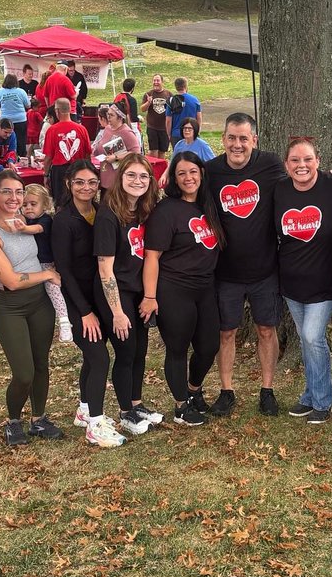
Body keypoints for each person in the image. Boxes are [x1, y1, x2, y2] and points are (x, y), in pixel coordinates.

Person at [206, 113, 288, 417]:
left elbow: (298, 188)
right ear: (224, 139)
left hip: (265, 269)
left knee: (267, 329)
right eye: (231, 137)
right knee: (226, 332)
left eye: (243, 138)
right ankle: (226, 391)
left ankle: (268, 390)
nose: (237, 144)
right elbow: (187, 195)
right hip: (225, 272)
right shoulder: (211, 171)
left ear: (254, 139)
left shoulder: (270, 165)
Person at [0, 170, 64, 446]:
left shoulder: (25, 221)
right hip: (10, 306)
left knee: (41, 363)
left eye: (19, 191)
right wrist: (47, 275)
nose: (14, 197)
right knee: (23, 371)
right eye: (6, 192)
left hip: (39, 303)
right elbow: (10, 281)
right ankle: (14, 420)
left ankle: (38, 418)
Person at [272, 137, 332, 424]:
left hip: (325, 281)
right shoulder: (279, 190)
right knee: (306, 340)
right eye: (295, 160)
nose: (301, 165)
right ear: (286, 165)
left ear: (318, 161)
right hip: (292, 283)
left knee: (312, 336)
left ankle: (323, 398)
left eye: (307, 159)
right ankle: (309, 394)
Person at [142, 151, 226, 426]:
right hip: (174, 288)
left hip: (205, 288)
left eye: (193, 171)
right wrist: (151, 296)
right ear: (174, 179)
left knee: (208, 346)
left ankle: (192, 390)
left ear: (201, 173)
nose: (188, 177)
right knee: (177, 348)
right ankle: (180, 406)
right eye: (182, 173)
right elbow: (152, 256)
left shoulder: (208, 205)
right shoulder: (166, 211)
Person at [51, 161, 126, 446]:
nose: (86, 187)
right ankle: (95, 424)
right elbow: (65, 271)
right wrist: (84, 313)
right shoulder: (63, 221)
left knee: (93, 356)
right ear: (69, 183)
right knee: (99, 357)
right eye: (80, 182)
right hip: (77, 301)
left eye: (92, 182)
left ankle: (84, 409)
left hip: (99, 296)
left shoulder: (100, 213)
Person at [95, 154, 164, 435]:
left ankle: (136, 403)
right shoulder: (108, 214)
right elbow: (104, 268)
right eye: (131, 175)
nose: (137, 181)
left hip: (137, 291)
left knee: (140, 350)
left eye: (143, 176)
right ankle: (125, 412)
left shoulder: (144, 209)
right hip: (115, 291)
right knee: (125, 350)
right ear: (120, 177)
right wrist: (117, 312)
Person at [20, 184, 72, 342]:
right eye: (24, 204)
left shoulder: (46, 220)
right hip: (30, 263)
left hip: (46, 263)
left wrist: (21, 228)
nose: (28, 208)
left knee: (52, 288)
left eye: (33, 204)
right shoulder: (25, 219)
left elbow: (36, 229)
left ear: (45, 205)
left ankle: (64, 321)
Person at [41, 98, 90, 207]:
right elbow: (88, 154)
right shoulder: (82, 129)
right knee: (79, 201)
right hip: (78, 169)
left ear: (57, 111)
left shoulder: (52, 130)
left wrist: (45, 175)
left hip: (60, 171)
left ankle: (61, 222)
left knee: (60, 203)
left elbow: (48, 157)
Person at [91, 104, 141, 190]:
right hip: (105, 175)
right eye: (108, 114)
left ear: (120, 117)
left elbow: (136, 153)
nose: (108, 118)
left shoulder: (126, 132)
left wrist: (116, 157)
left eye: (111, 115)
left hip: (118, 178)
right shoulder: (107, 129)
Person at [0, 73, 31, 152]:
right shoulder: (21, 91)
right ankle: (21, 159)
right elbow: (28, 105)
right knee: (21, 141)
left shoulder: (0, 91)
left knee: (6, 140)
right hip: (20, 120)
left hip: (5, 121)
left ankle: (6, 157)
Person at [141, 74, 173, 158]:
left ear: (162, 82)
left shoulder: (169, 94)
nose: (156, 82)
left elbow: (173, 109)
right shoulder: (148, 94)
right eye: (154, 80)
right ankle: (153, 169)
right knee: (153, 151)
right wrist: (148, 102)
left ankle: (161, 169)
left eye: (158, 80)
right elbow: (142, 109)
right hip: (152, 127)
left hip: (164, 128)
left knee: (162, 152)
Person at [167, 77, 201, 145]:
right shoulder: (195, 100)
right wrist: (198, 132)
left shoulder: (171, 101)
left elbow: (168, 120)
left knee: (179, 154)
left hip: (176, 134)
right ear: (186, 86)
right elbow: (199, 118)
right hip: (191, 133)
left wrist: (169, 134)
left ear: (176, 87)